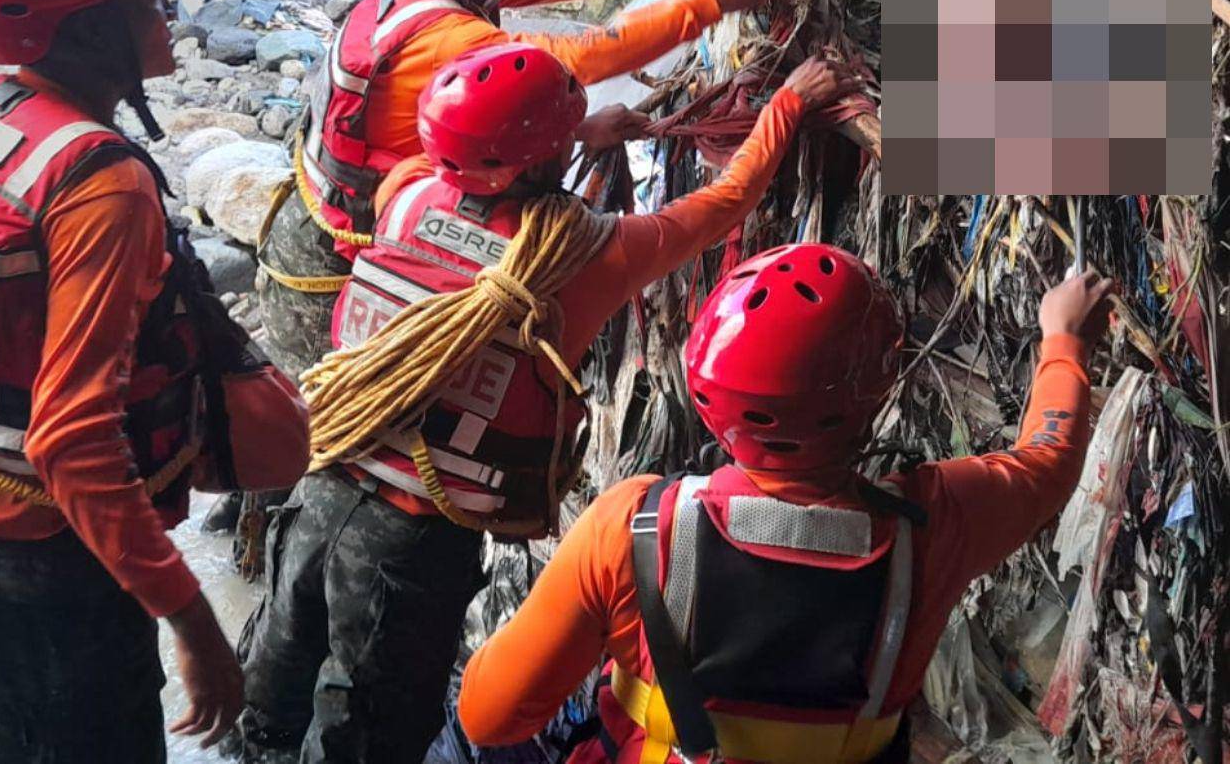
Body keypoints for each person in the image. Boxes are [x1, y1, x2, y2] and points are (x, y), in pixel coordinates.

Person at [233, 42, 864, 763]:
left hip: (322, 485)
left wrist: (567, 142)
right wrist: (788, 103)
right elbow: (725, 203)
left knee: (275, 683)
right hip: (412, 540)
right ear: (537, 156)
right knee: (370, 733)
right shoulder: (587, 255)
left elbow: (474, 195)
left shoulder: (403, 193)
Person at [457, 249, 1116, 764]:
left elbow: (488, 717)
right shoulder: (938, 523)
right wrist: (1065, 340)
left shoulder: (633, 525)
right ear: (875, 388)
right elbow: (1047, 461)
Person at [256, 0, 793, 383]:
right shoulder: (447, 37)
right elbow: (572, 62)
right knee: (362, 397)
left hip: (349, 208)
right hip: (334, 259)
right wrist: (712, 3)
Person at [0, 0, 310, 762]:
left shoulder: (5, 126)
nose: (167, 12)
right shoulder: (99, 182)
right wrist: (195, 627)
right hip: (51, 565)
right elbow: (74, 440)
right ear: (85, 26)